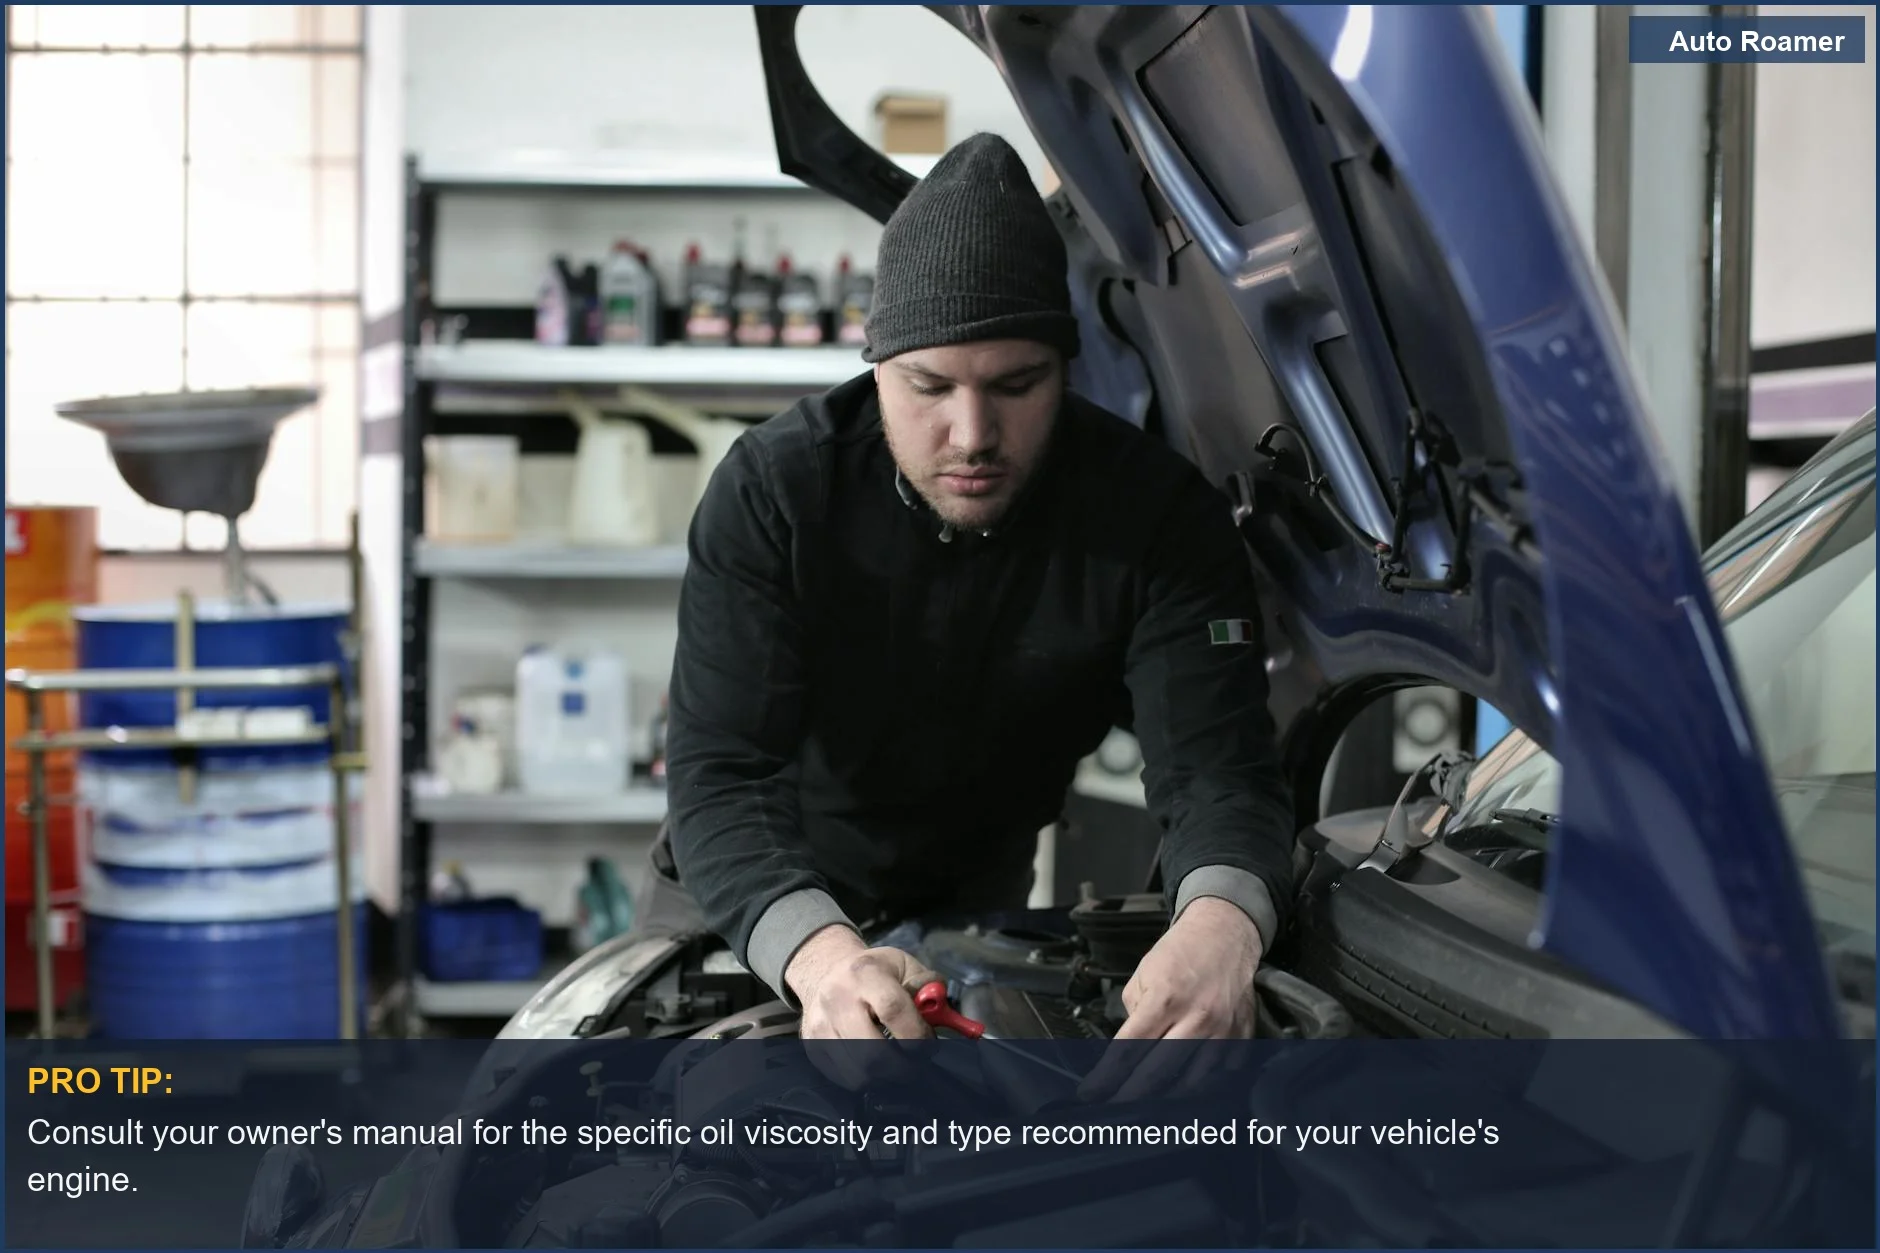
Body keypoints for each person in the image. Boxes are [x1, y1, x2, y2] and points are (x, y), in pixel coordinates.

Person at [652, 132, 1295, 1081]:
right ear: (876, 369)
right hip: (755, 900)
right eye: (929, 386)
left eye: (1016, 384)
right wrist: (824, 958)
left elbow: (1219, 771)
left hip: (980, 909)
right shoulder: (775, 494)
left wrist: (1221, 924)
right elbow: (720, 780)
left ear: (1064, 367)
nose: (973, 433)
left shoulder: (1155, 518)